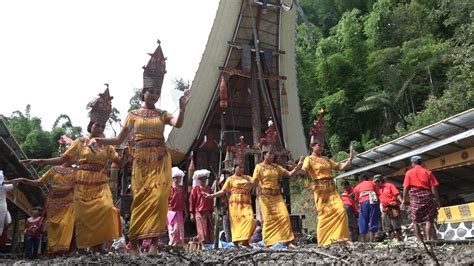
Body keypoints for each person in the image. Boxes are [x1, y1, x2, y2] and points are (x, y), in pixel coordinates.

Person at [90, 42, 190, 256]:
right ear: (143, 93)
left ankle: (154, 243)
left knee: (159, 199)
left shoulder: (162, 114)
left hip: (161, 160)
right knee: (141, 200)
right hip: (141, 162)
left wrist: (182, 108)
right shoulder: (132, 114)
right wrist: (101, 142)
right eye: (150, 92)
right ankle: (133, 243)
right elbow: (118, 139)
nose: (154, 95)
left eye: (157, 92)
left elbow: (178, 123)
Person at [21, 88, 124, 252]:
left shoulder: (108, 145)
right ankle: (82, 247)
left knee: (106, 209)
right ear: (91, 125)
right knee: (82, 216)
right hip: (82, 183)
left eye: (103, 125)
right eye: (97, 124)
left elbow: (119, 161)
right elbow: (63, 159)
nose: (99, 128)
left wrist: (128, 153)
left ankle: (99, 245)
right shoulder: (80, 142)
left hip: (100, 183)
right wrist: (39, 161)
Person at [301, 110, 353, 247]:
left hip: (332, 188)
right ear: (312, 145)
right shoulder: (309, 159)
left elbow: (339, 167)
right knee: (324, 215)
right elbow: (303, 170)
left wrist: (350, 159)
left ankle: (341, 238)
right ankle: (323, 242)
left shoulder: (326, 159)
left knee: (341, 210)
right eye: (319, 145)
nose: (322, 147)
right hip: (320, 189)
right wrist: (296, 167)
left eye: (323, 145)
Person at [16, 136, 75, 256]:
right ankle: (53, 251)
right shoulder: (53, 170)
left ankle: (63, 250)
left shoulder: (77, 172)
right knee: (53, 227)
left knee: (66, 224)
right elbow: (39, 182)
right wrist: (23, 179)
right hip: (53, 203)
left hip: (68, 202)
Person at [252, 148, 303, 247]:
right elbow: (255, 181)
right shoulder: (258, 167)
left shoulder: (276, 167)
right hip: (265, 197)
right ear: (264, 155)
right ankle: (269, 242)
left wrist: (296, 168)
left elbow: (288, 174)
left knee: (284, 216)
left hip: (277, 196)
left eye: (272, 154)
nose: (271, 156)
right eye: (269, 153)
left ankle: (288, 241)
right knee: (268, 219)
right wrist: (249, 183)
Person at [203, 164, 256, 247]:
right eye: (240, 167)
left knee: (251, 219)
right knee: (236, 222)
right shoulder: (230, 179)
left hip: (246, 202)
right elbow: (223, 191)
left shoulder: (247, 177)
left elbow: (256, 183)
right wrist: (212, 195)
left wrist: (250, 184)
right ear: (235, 169)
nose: (242, 169)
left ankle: (245, 239)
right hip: (234, 203)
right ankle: (237, 240)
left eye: (243, 167)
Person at [402, 155, 440, 241]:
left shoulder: (409, 173)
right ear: (421, 162)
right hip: (427, 195)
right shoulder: (428, 172)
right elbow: (433, 188)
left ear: (413, 163)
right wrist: (437, 200)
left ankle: (419, 241)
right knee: (429, 219)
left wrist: (404, 199)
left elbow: (405, 187)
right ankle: (429, 239)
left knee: (415, 220)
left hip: (415, 196)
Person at [374, 175, 403, 241]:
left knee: (397, 227)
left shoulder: (389, 185)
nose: (376, 184)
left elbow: (396, 193)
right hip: (385, 209)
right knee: (388, 228)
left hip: (393, 208)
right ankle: (392, 241)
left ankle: (400, 241)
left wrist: (401, 202)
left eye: (376, 182)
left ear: (380, 181)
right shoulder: (378, 190)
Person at [189, 169, 214, 246]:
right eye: (202, 179)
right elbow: (192, 202)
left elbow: (212, 201)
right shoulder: (195, 190)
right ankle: (202, 244)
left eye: (205, 179)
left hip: (208, 212)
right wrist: (192, 214)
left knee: (208, 230)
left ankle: (197, 241)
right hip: (199, 212)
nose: (204, 180)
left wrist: (212, 211)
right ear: (199, 180)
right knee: (201, 230)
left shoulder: (209, 189)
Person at [353, 174, 380, 242]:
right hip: (373, 202)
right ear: (367, 179)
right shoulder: (372, 183)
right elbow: (377, 193)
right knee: (373, 219)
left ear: (360, 180)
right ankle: (372, 240)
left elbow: (356, 199)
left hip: (363, 203)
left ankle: (363, 240)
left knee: (363, 220)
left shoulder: (357, 187)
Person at [167, 167, 186, 246]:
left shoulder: (181, 189)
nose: (178, 180)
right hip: (171, 211)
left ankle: (179, 244)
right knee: (174, 229)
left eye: (179, 178)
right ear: (173, 178)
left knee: (180, 229)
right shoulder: (169, 189)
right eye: (176, 178)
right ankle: (172, 244)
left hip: (180, 211)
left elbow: (183, 200)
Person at [0, 171, 16, 237]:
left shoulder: (4, 187)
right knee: (5, 223)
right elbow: (15, 184)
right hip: (3, 208)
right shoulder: (4, 187)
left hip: (3, 208)